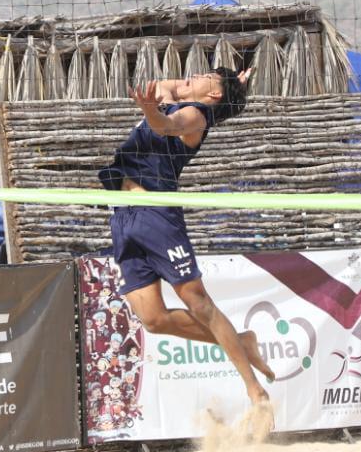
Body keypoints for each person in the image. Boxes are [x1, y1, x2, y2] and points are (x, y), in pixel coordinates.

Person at [98, 68, 275, 421]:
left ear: (214, 98)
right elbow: (166, 86)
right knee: (153, 319)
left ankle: (254, 390)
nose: (194, 74)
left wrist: (153, 109)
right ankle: (244, 341)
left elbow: (167, 126)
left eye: (207, 75)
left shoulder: (198, 117)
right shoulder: (184, 101)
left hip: (156, 216)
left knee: (199, 304)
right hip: (123, 216)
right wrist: (228, 84)